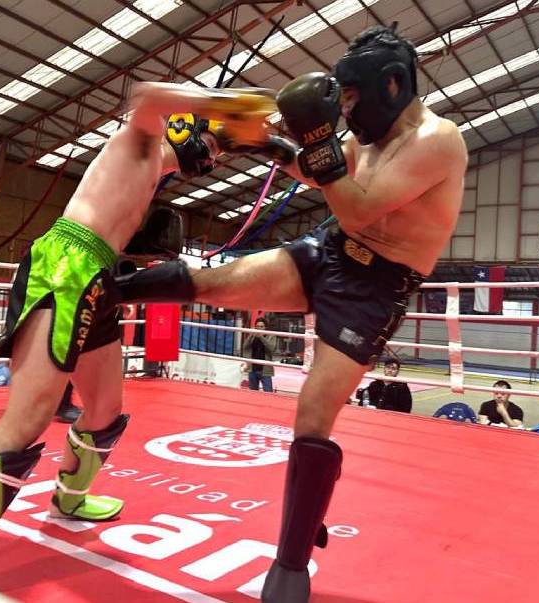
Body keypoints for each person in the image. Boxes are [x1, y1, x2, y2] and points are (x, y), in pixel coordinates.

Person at [115, 24, 467, 601]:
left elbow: (357, 208)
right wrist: (260, 144)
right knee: (210, 282)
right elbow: (318, 171)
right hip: (328, 254)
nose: (345, 110)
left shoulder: (439, 139)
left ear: (392, 85)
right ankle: (102, 290)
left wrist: (319, 139)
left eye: (351, 97)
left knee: (312, 415)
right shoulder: (368, 138)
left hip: (375, 286)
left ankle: (291, 564)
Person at [0, 83, 291, 575]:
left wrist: (258, 142)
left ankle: (70, 499)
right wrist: (225, 103)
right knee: (27, 419)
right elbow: (148, 96)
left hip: (97, 275)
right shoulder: (139, 140)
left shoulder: (155, 168)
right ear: (187, 127)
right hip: (64, 265)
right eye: (210, 144)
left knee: (105, 408)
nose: (212, 157)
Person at [243, 317, 277, 392]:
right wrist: (251, 335)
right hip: (253, 369)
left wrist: (261, 337)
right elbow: (245, 346)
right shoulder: (253, 336)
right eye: (257, 326)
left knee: (268, 393)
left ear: (265, 328)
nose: (259, 328)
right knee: (253, 393)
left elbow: (272, 348)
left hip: (265, 370)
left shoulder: (271, 336)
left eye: (261, 327)